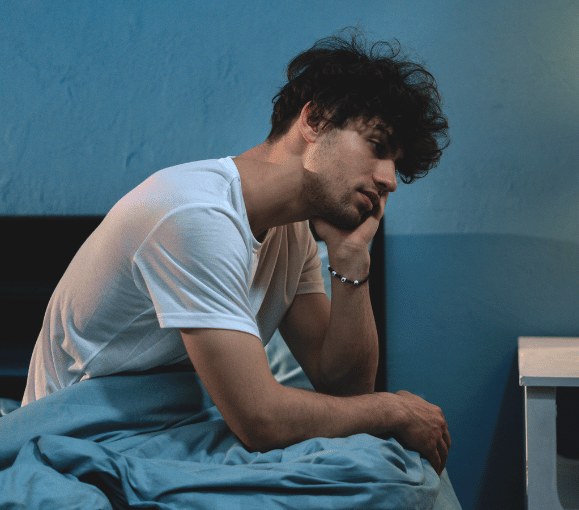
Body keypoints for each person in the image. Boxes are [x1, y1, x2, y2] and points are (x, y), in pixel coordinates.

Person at [22, 28, 452, 474]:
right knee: (380, 477)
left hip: (161, 435)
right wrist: (393, 410)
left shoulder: (293, 235)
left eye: (395, 164)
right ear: (314, 121)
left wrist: (351, 258)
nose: (389, 179)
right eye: (377, 148)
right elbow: (259, 419)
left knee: (383, 473)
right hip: (76, 440)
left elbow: (345, 387)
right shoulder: (194, 215)